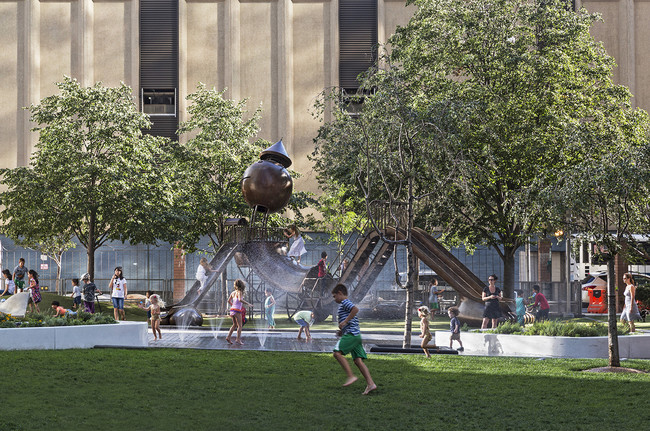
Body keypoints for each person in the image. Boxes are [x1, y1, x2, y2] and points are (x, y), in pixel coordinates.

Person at [331, 283, 377, 395]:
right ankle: (371, 384)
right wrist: (342, 331)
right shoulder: (343, 303)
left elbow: (355, 309)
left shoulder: (345, 302)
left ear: (340, 293)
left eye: (334, 296)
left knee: (337, 353)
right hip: (355, 335)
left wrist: (345, 322)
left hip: (352, 334)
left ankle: (351, 376)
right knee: (357, 361)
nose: (334, 299)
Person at [226, 279, 252, 345]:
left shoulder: (233, 292)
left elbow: (228, 301)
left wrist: (233, 306)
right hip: (237, 310)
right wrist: (248, 303)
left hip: (232, 310)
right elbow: (240, 300)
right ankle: (238, 339)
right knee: (240, 325)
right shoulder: (239, 292)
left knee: (234, 325)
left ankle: (228, 337)